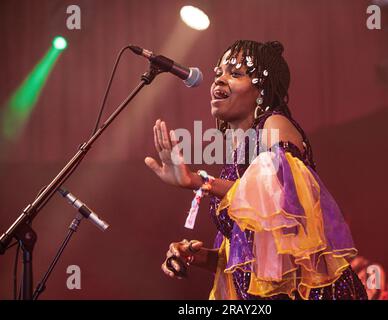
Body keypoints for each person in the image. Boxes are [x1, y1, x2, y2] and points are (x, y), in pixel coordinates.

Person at [145, 40, 368, 300]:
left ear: (261, 90)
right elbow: (253, 257)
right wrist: (199, 256)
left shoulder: (274, 124)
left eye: (236, 73)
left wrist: (198, 181)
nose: (219, 80)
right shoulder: (237, 159)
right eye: (219, 73)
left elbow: (277, 196)